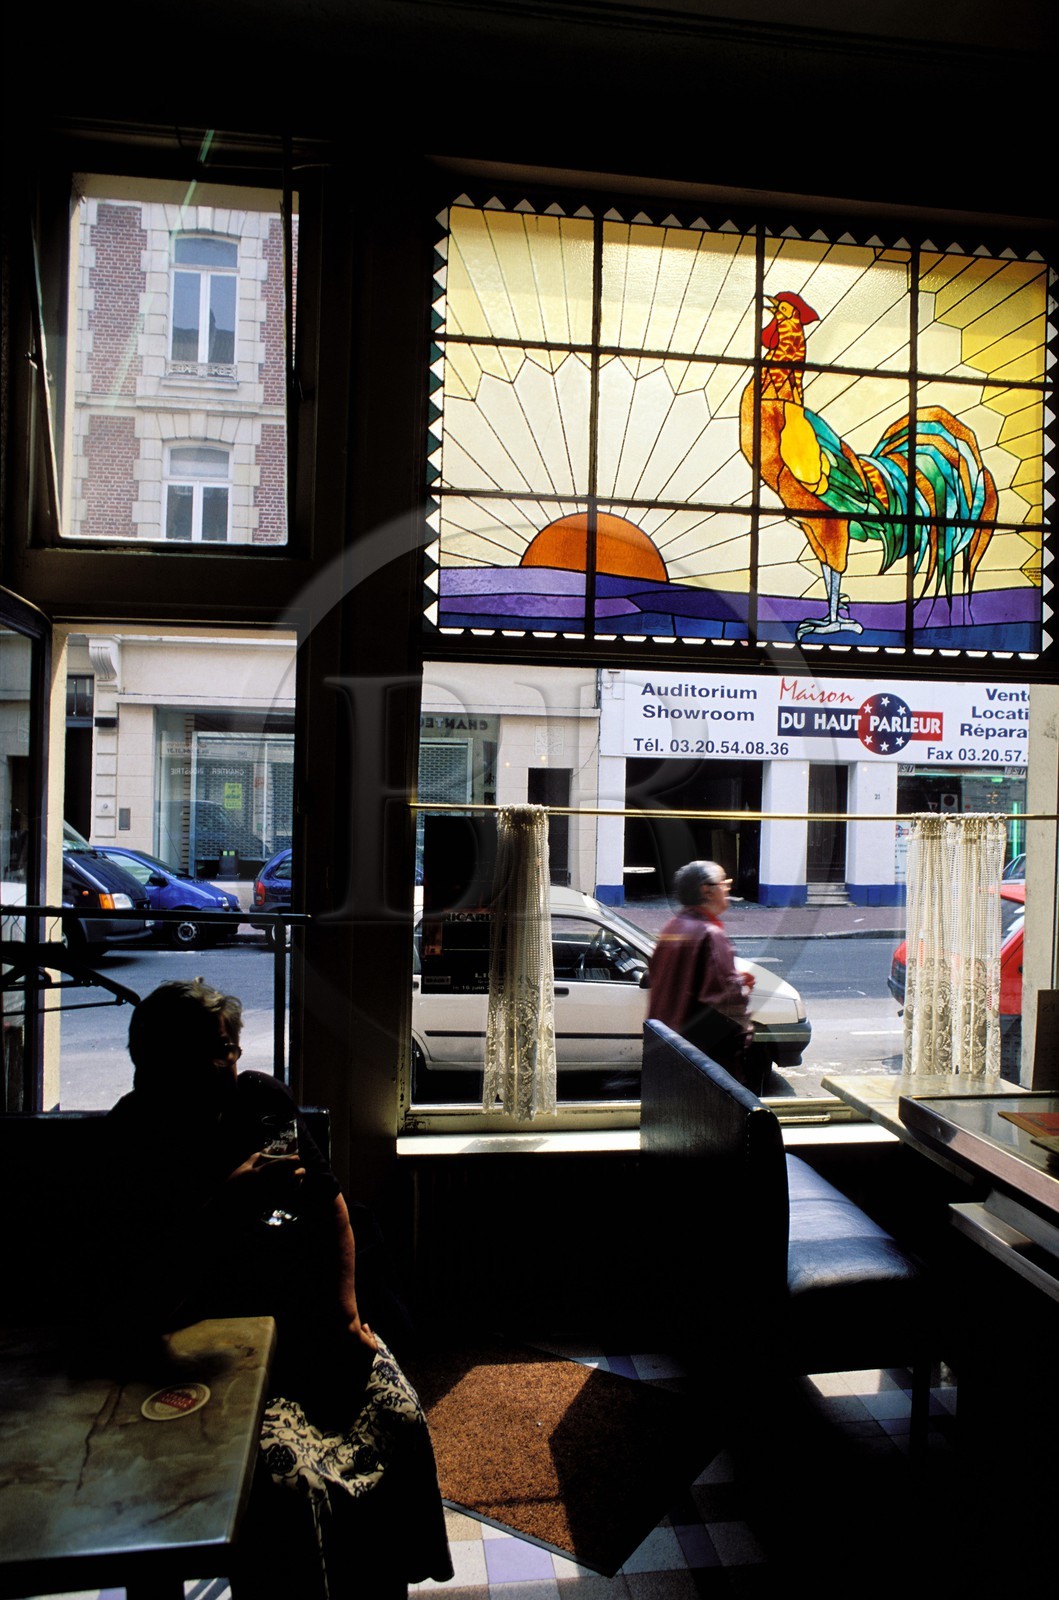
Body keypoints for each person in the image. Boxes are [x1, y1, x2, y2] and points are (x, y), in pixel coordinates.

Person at [96, 978, 452, 1599]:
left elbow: (330, 1205)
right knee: (287, 1487)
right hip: (206, 1344)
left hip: (306, 1311)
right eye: (207, 1051)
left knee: (398, 1414)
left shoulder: (260, 1101)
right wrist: (225, 1207)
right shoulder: (135, 1136)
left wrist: (345, 1314)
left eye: (230, 1046)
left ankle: (380, 1583)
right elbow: (144, 1296)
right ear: (155, 1064)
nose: (227, 1062)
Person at [646, 860, 769, 1094]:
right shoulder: (710, 934)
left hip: (670, 1050)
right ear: (707, 890)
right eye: (724, 883)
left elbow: (675, 979)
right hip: (703, 1061)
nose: (728, 889)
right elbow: (727, 1003)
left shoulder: (674, 926)